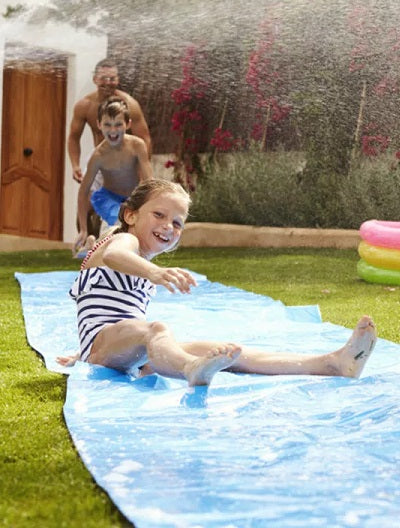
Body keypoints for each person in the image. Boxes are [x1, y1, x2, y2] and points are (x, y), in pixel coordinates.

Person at [58, 178, 377, 387]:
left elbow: (98, 309)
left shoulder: (134, 252)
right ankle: (190, 369)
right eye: (159, 214)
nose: (168, 226)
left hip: (122, 348)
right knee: (157, 330)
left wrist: (82, 350)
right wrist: (155, 274)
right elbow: (114, 256)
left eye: (177, 222)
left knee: (233, 352)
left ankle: (333, 364)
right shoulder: (124, 243)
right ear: (130, 216)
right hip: (107, 346)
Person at [68, 58, 152, 238]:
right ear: (95, 79)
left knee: (131, 205)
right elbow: (74, 137)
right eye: (104, 78)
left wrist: (140, 166)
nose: (108, 83)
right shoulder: (85, 106)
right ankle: (85, 241)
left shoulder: (130, 104)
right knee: (87, 201)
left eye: (112, 78)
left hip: (126, 158)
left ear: (118, 79)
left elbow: (144, 138)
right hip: (101, 158)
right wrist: (75, 165)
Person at [72, 97, 153, 254]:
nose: (113, 130)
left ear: (128, 124)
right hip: (107, 198)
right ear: (99, 125)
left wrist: (148, 206)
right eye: (107, 125)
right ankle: (95, 245)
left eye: (118, 124)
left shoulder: (137, 146)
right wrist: (83, 230)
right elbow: (83, 192)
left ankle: (94, 246)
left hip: (132, 198)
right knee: (116, 225)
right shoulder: (98, 156)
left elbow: (150, 181)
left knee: (135, 233)